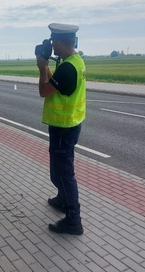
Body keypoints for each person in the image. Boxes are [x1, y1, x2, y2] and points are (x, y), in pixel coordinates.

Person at [36, 23, 86, 235]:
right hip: (69, 125)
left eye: (51, 41)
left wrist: (41, 67)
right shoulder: (74, 61)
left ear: (57, 42)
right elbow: (56, 83)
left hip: (64, 128)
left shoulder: (67, 67)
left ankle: (73, 220)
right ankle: (62, 199)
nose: (51, 45)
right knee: (59, 169)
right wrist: (47, 65)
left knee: (64, 173)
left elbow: (44, 91)